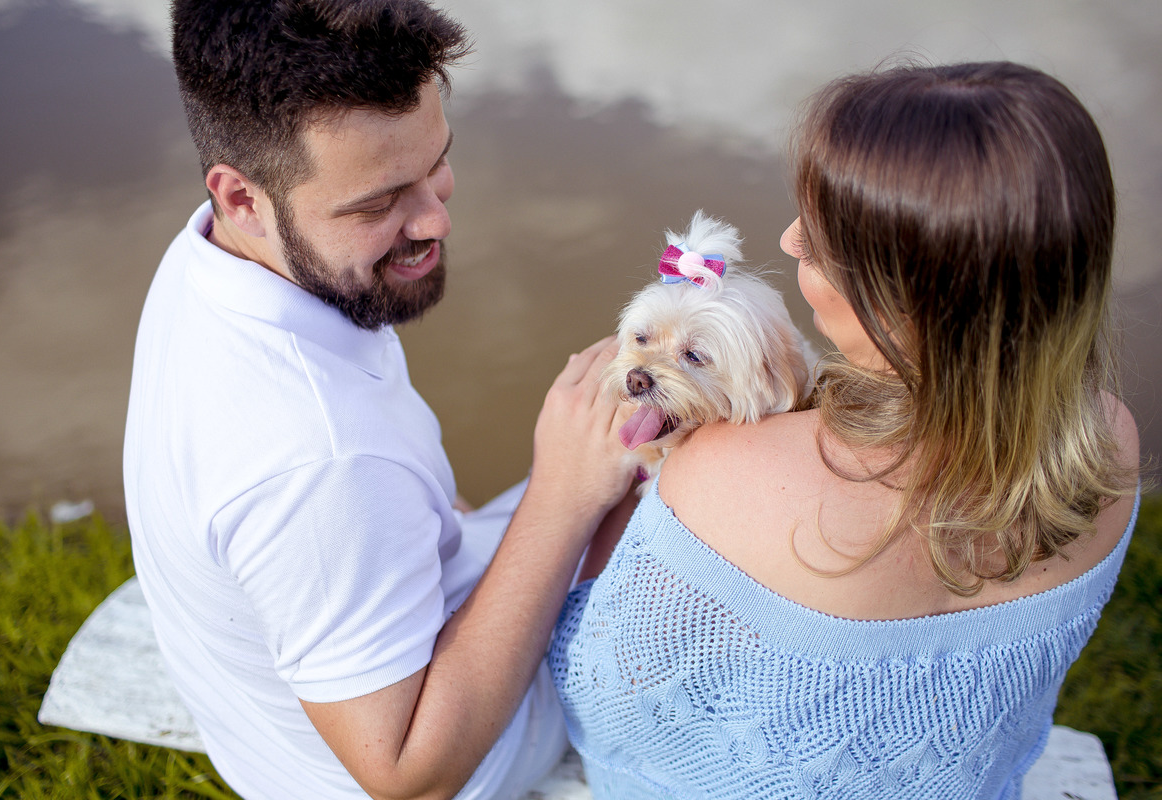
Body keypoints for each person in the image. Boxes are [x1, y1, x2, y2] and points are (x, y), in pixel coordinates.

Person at [549, 61, 1141, 799]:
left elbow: (604, 697)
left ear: (906, 300)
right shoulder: (1110, 446)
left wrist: (571, 494)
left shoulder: (725, 473)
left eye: (823, 244)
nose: (791, 240)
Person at [123, 2, 634, 799]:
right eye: (377, 203)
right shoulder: (319, 462)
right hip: (449, 757)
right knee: (686, 488)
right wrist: (566, 498)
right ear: (242, 197)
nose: (437, 219)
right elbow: (409, 778)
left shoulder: (214, 256)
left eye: (437, 163)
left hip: (293, 719)